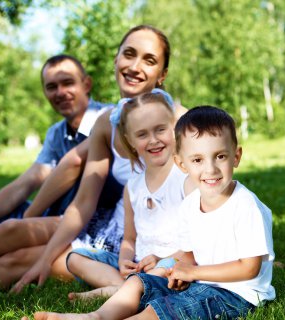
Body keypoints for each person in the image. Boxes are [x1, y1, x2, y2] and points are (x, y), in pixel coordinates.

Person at [0, 25, 186, 291]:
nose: (134, 66)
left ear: (162, 74)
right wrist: (47, 254)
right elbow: (83, 203)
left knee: (17, 260)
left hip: (142, 245)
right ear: (116, 59)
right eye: (129, 54)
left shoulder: (182, 122)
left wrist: (44, 259)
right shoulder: (106, 123)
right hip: (107, 225)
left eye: (149, 60)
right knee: (11, 230)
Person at [28, 106, 275, 320]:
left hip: (236, 294)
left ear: (236, 157)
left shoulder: (245, 205)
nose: (210, 169)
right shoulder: (191, 204)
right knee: (139, 283)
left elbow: (249, 268)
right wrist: (166, 264)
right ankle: (96, 316)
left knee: (162, 310)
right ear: (182, 164)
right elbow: (188, 256)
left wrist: (193, 272)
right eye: (198, 160)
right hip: (199, 282)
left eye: (220, 156)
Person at [66, 90, 195, 300]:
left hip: (175, 260)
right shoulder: (133, 186)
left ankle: (125, 291)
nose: (153, 140)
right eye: (142, 134)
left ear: (174, 128)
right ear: (131, 140)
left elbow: (198, 241)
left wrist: (161, 258)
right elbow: (129, 238)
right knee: (75, 258)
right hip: (140, 263)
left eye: (160, 130)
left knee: (165, 269)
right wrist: (124, 260)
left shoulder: (185, 176)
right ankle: (126, 288)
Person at [0, 54, 113, 234]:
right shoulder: (56, 133)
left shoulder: (109, 119)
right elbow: (24, 184)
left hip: (92, 225)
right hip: (55, 215)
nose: (60, 92)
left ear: (86, 84)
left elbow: (75, 163)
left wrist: (24, 222)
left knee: (2, 234)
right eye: (51, 87)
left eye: (68, 83)